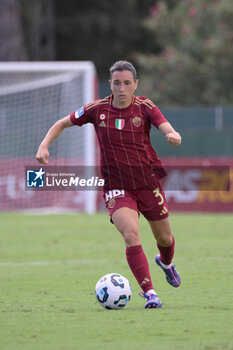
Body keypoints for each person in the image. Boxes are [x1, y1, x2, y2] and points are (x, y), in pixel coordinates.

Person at [36, 60, 182, 309]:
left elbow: (166, 127)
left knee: (165, 239)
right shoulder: (97, 109)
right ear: (110, 84)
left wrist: (172, 134)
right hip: (117, 186)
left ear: (135, 84)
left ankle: (166, 263)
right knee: (131, 234)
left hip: (147, 183)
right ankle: (150, 293)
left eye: (127, 83)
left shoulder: (145, 107)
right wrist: (43, 145)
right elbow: (61, 123)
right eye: (117, 83)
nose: (122, 88)